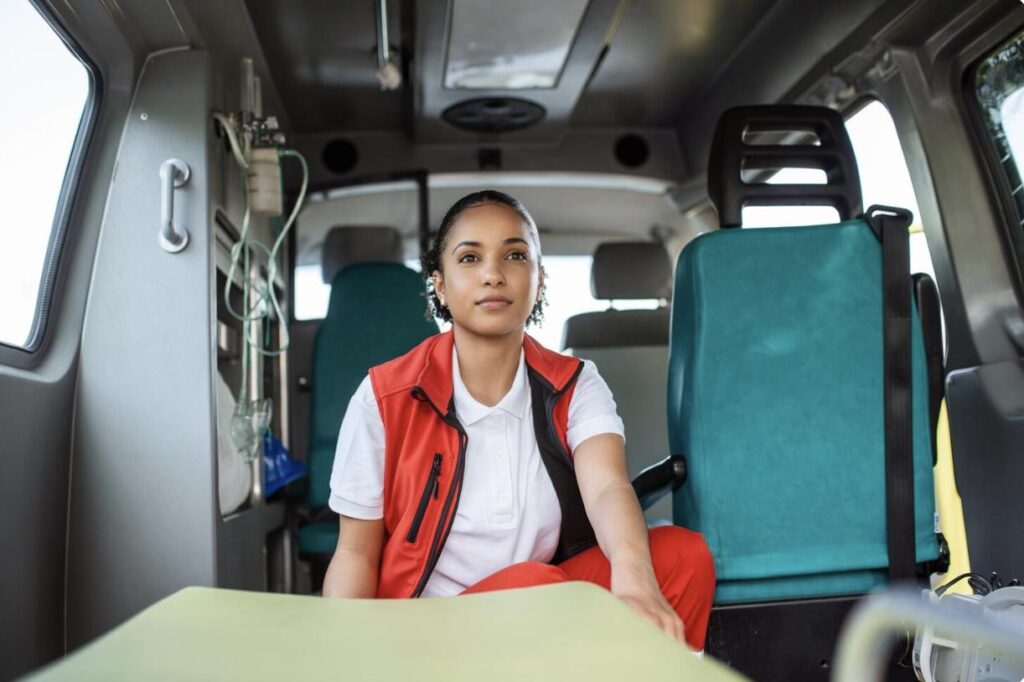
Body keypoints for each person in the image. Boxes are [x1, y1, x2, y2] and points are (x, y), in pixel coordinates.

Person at [322, 190, 715, 650]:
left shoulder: (576, 383)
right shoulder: (383, 396)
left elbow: (608, 488)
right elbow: (354, 552)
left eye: (514, 254)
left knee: (683, 556)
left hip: (539, 597)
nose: (493, 274)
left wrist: (634, 580)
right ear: (441, 285)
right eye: (469, 258)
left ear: (539, 280)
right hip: (425, 629)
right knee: (536, 587)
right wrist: (344, 654)